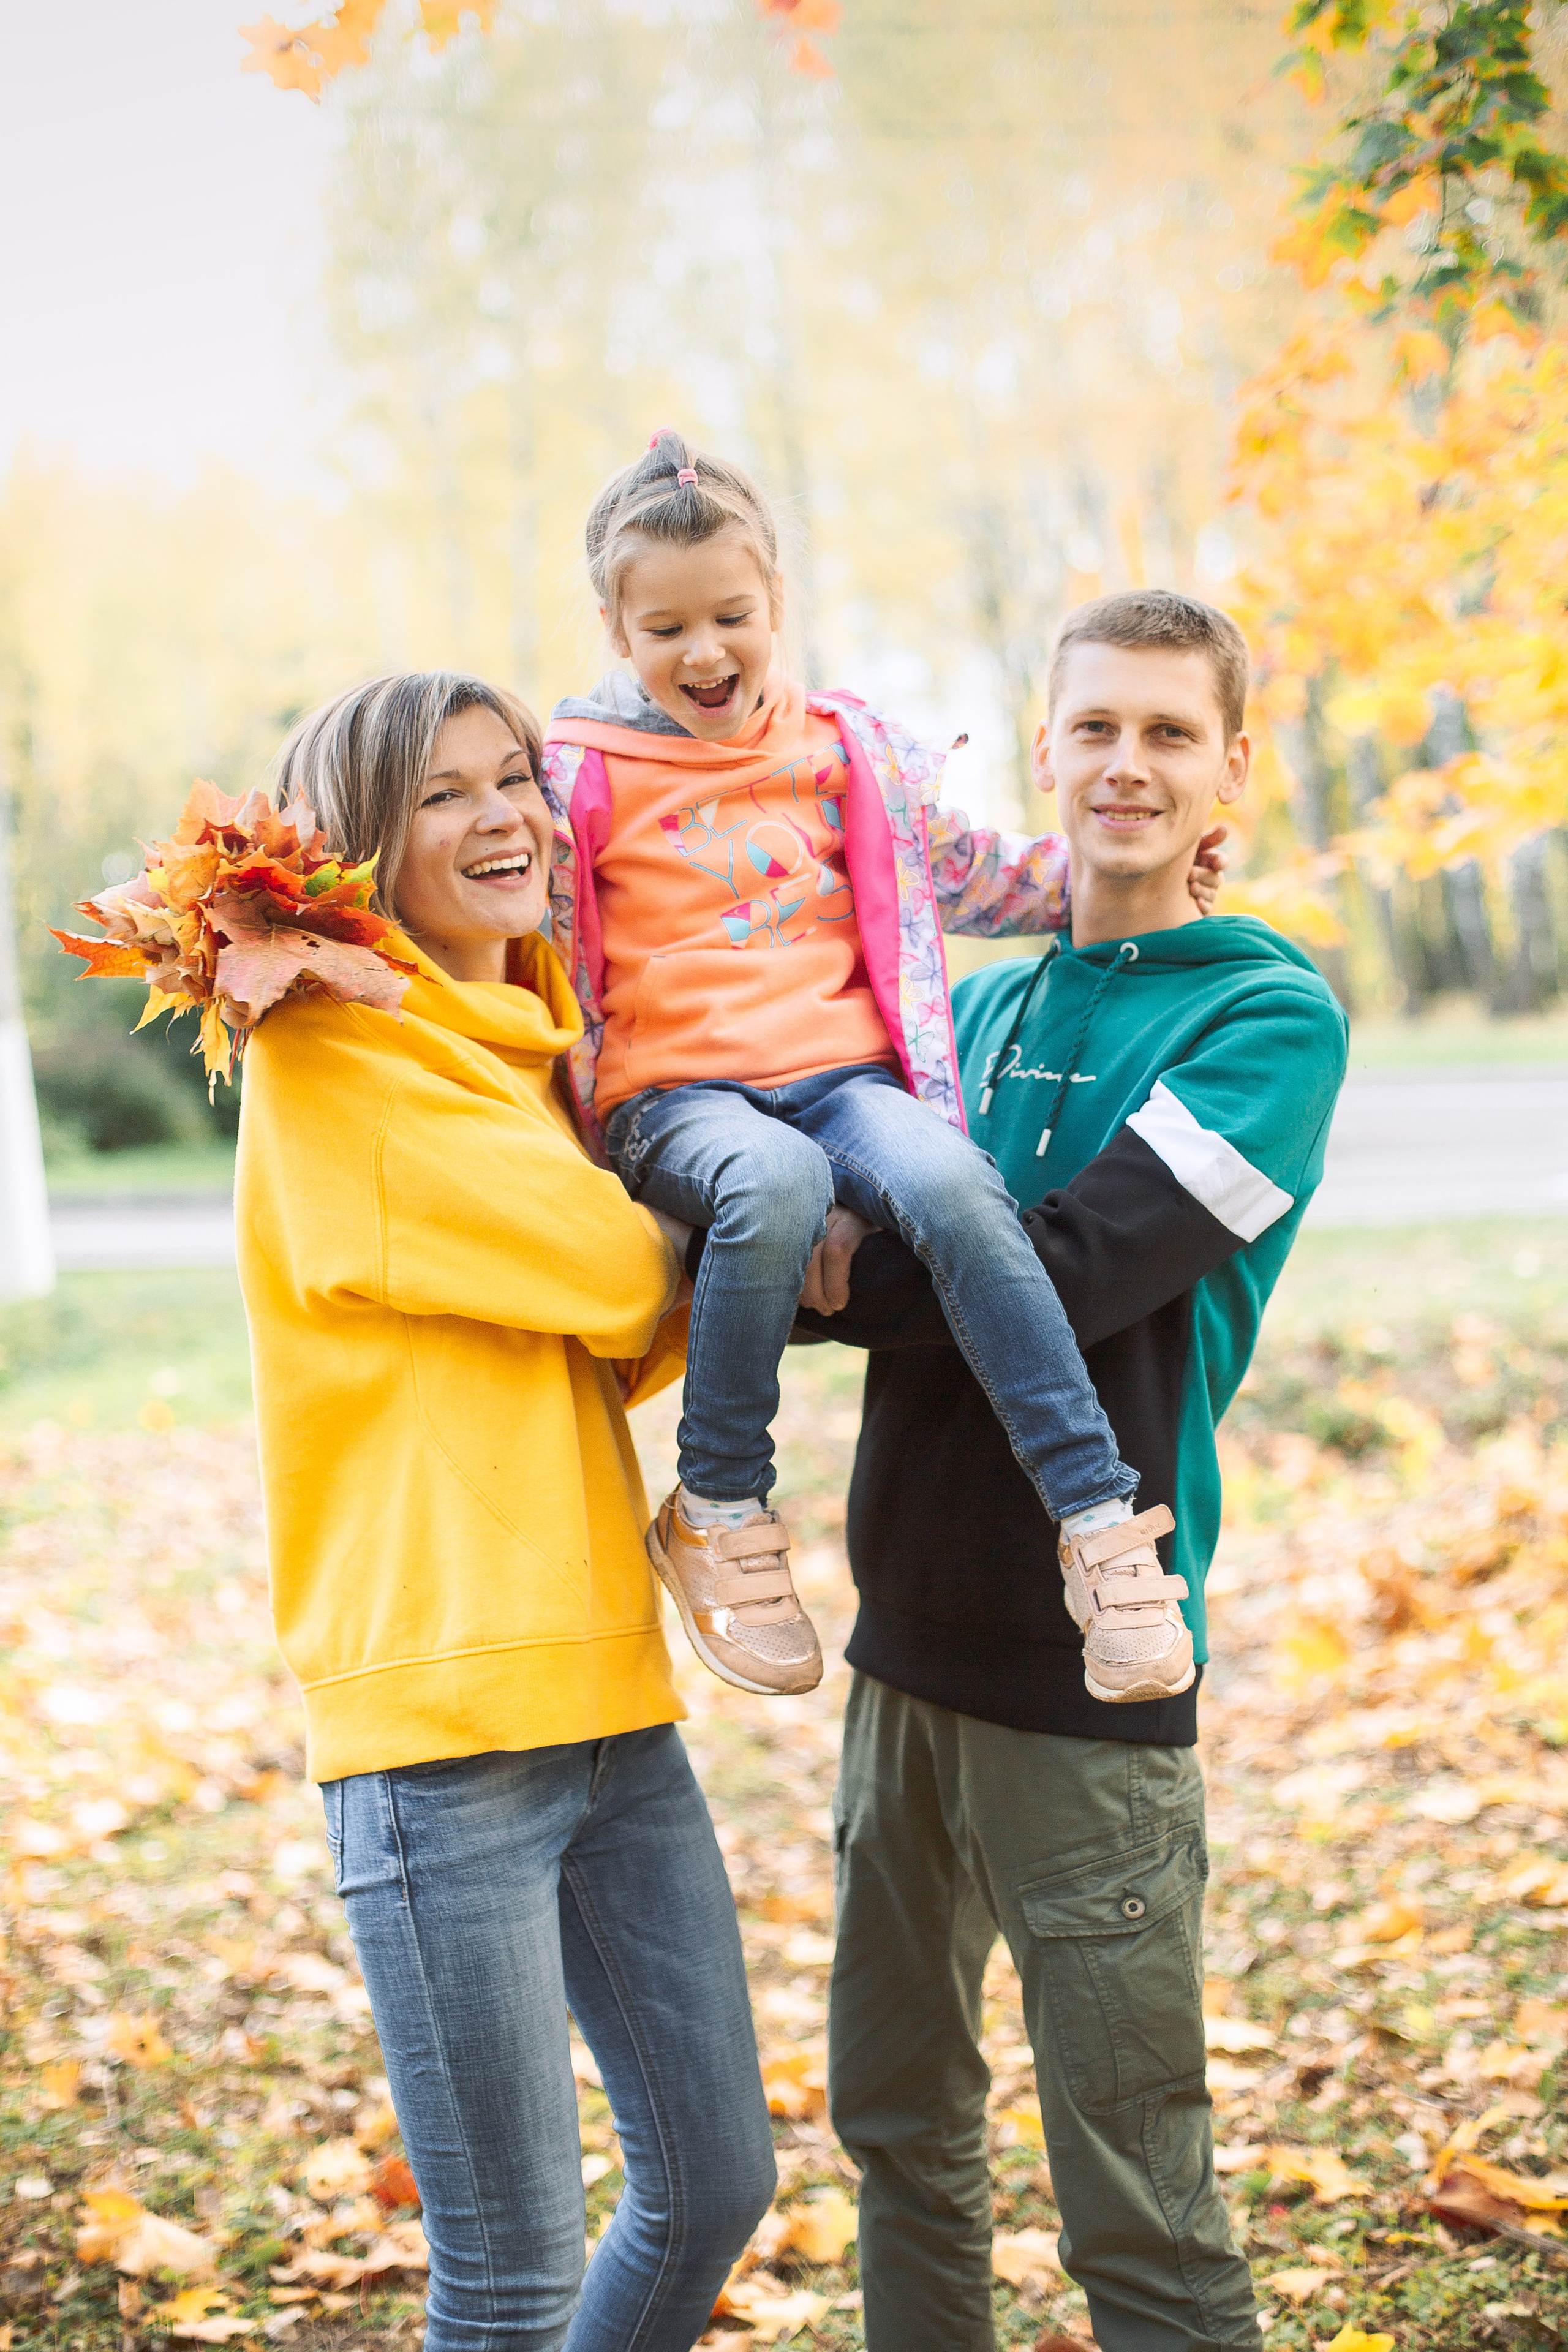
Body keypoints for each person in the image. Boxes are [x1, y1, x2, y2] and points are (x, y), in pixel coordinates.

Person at [796, 589, 1350, 2352]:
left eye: (1168, 733)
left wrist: (825, 1267)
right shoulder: (969, 1008)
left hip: (1090, 1673)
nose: (1127, 764)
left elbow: (1078, 1266)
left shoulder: (1266, 1019)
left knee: (1139, 2210)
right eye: (1095, 727)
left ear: (1229, 771)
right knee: (899, 2134)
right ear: (1044, 751)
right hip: (901, 1652)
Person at [235, 671, 777, 2352]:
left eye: (516, 777)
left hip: (606, 1696)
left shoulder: (533, 1048)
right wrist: (749, 1224)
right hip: (443, 1728)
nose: (505, 818)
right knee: (509, 2274)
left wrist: (704, 1243)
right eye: (444, 793)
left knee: (715, 2180)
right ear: (360, 847)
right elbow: (614, 1270)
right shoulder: (333, 1047)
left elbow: (613, 1342)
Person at [542, 429, 1223, 1705]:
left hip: (845, 1081)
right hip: (674, 1098)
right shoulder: (575, 775)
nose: (705, 653)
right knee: (775, 1183)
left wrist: (1115, 871)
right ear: (615, 628)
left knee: (960, 1187)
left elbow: (961, 869)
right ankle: (718, 1500)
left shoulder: (843, 748)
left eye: (732, 617)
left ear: (775, 602)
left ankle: (1095, 1520)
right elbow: (481, 902)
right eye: (666, 629)